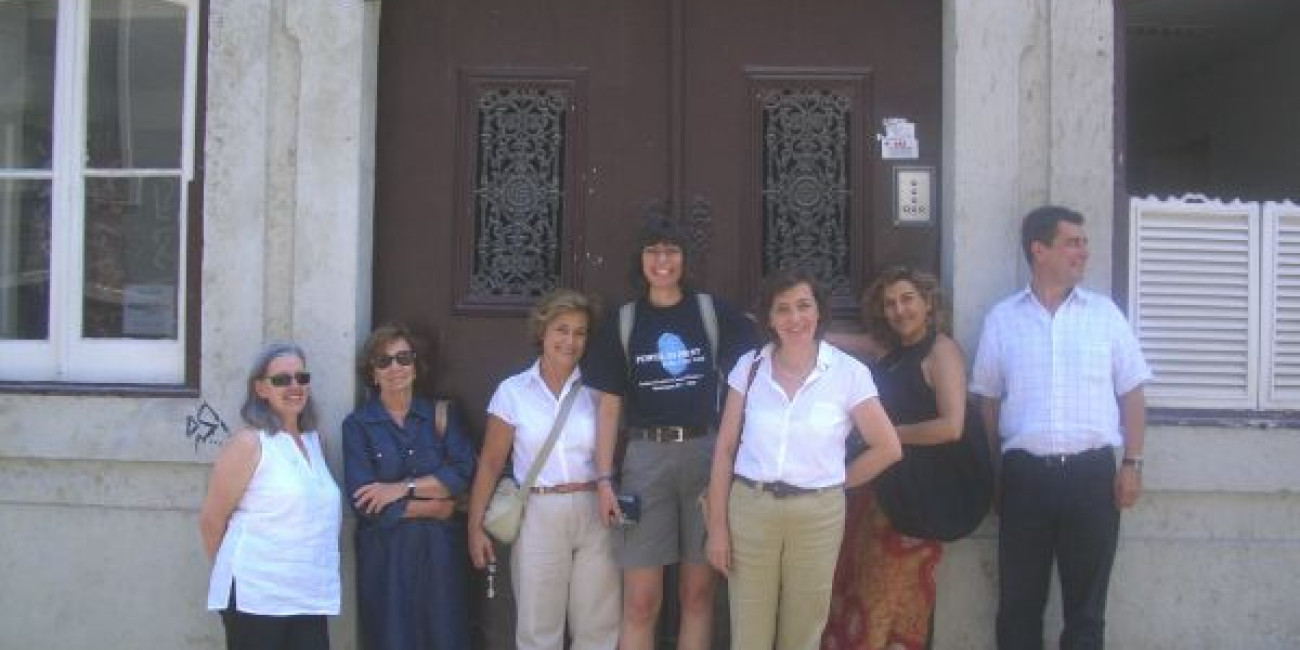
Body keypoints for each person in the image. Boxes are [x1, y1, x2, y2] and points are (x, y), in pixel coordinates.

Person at [970, 205, 1152, 650]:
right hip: (1024, 479)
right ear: (1039, 250)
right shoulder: (1003, 319)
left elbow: (1132, 393)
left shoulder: (1105, 315)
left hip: (1092, 478)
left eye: (1084, 242)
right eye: (1073, 242)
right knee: (1018, 607)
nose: (1084, 252)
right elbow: (987, 402)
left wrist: (1131, 463)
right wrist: (995, 475)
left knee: (1086, 612)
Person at [582, 217, 758, 650]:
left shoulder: (711, 312)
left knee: (697, 595)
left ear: (685, 259)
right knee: (640, 602)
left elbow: (760, 363)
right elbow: (608, 408)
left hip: (705, 457)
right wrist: (604, 478)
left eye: (672, 251)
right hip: (644, 460)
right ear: (640, 260)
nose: (662, 261)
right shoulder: (622, 323)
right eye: (652, 251)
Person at [706, 268, 903, 650]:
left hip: (817, 516)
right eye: (783, 309)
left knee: (803, 631)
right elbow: (725, 449)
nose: (795, 318)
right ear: (769, 318)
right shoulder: (750, 367)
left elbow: (887, 446)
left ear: (818, 311)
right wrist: (717, 528)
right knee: (748, 632)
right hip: (752, 507)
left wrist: (834, 481)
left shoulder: (848, 373)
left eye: (803, 306)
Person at [820, 267, 969, 650]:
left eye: (907, 299)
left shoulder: (942, 350)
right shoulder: (891, 351)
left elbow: (952, 426)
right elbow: (851, 343)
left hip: (919, 499)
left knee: (894, 600)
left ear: (928, 302)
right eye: (890, 303)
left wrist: (889, 437)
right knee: (861, 592)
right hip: (881, 493)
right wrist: (792, 329)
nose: (899, 310)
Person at [467, 288, 620, 650]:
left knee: (599, 626)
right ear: (543, 332)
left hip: (593, 507)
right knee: (539, 629)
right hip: (539, 511)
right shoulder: (513, 391)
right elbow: (490, 463)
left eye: (580, 332)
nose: (570, 341)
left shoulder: (598, 390)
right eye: (561, 330)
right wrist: (474, 526)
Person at [342, 324, 476, 650]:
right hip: (387, 557)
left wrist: (401, 489)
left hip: (439, 555)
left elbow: (462, 474)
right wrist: (433, 505)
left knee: (445, 637)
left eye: (403, 358)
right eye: (383, 361)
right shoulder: (358, 426)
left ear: (416, 366)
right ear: (372, 374)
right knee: (393, 639)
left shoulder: (441, 415)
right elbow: (366, 503)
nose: (395, 368)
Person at [199, 342, 341, 650]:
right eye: (282, 380)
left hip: (307, 594)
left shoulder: (314, 443)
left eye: (301, 378)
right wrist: (237, 576)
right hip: (257, 596)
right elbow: (212, 519)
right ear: (261, 389)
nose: (294, 386)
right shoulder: (249, 443)